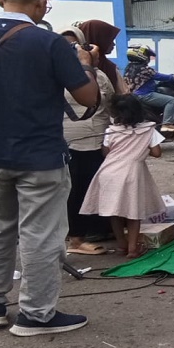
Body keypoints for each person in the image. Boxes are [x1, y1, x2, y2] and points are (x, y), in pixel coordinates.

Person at [0, 0, 99, 337]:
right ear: (40, 2)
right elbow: (87, 99)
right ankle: (35, 315)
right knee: (39, 234)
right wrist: (85, 64)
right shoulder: (48, 43)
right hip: (39, 156)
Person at [80, 94, 165, 258]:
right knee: (134, 213)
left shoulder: (110, 131)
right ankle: (133, 249)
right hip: (132, 173)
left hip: (109, 172)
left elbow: (106, 152)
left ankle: (121, 245)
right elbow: (157, 153)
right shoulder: (148, 130)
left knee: (114, 211)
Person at [61, 26, 117, 254]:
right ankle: (75, 238)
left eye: (76, 45)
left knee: (97, 187)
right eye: (65, 46)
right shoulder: (57, 73)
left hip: (99, 142)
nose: (71, 50)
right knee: (76, 190)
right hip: (72, 142)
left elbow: (113, 103)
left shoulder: (99, 75)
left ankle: (96, 228)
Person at [124, 46, 174, 131]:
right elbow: (162, 77)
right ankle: (167, 124)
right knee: (172, 100)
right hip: (144, 95)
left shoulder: (128, 68)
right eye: (148, 55)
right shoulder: (145, 69)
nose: (149, 58)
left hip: (133, 95)